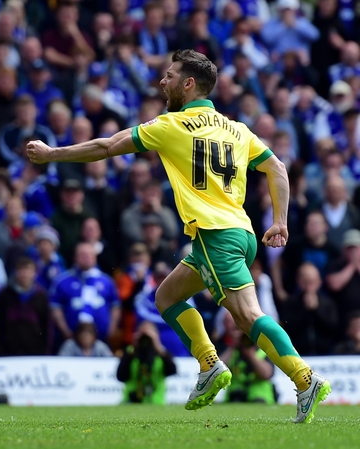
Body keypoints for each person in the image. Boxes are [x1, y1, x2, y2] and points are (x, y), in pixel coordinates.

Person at [27, 49, 329, 422]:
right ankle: (210, 365)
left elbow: (106, 147)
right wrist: (280, 220)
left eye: (169, 76)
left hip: (215, 235)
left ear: (188, 84)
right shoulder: (238, 129)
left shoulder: (170, 126)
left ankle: (305, 378)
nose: (161, 81)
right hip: (240, 233)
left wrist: (51, 153)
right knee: (167, 296)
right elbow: (277, 168)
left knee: (248, 316)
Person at [218, 311, 276, 404]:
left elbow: (267, 374)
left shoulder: (264, 349)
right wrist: (233, 346)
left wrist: (250, 354)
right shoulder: (229, 348)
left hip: (261, 399)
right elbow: (217, 372)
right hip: (234, 398)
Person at [116, 320, 177, 405]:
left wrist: (157, 345)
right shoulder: (130, 352)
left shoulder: (161, 354)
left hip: (156, 402)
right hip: (130, 401)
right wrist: (134, 347)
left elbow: (172, 370)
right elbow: (121, 376)